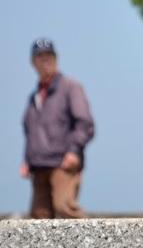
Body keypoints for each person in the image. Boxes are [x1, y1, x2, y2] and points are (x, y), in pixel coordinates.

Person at [20, 38, 95, 218]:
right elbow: (31, 131)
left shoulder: (70, 87)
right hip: (39, 166)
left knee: (65, 208)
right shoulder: (34, 96)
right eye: (40, 56)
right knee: (39, 217)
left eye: (49, 55)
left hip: (63, 163)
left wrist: (74, 151)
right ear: (33, 62)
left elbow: (85, 123)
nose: (45, 60)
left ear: (56, 58)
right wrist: (27, 160)